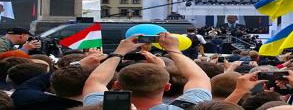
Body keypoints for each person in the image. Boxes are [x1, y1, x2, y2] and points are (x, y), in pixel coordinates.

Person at [82, 32, 212, 109]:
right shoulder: (187, 106)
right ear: (167, 87)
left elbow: (95, 81)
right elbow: (199, 78)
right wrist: (174, 50)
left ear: (117, 85)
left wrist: (119, 52)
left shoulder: (98, 107)